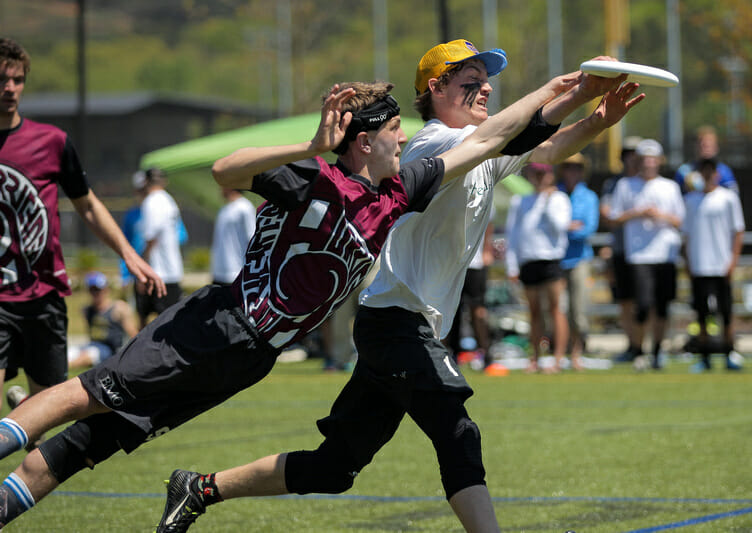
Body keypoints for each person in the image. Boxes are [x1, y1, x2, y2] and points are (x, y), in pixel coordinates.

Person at [0, 74, 583, 529]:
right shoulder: (308, 177)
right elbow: (224, 169)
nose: (404, 139)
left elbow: (489, 139)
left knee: (93, 442)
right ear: (364, 141)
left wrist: (557, 94)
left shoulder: (398, 191)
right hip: (214, 327)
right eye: (395, 133)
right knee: (88, 395)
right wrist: (308, 146)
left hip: (250, 360)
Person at [152, 41, 646, 533]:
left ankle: (200, 487)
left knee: (334, 467)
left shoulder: (483, 147)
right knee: (457, 431)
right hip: (397, 323)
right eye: (470, 80)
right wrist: (575, 89)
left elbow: (548, 147)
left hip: (398, 324)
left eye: (486, 79)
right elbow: (514, 131)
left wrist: (598, 117)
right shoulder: (433, 142)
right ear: (436, 90)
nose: (486, 88)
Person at [0, 38, 163, 413]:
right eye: (1, 79)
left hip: (43, 295)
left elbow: (87, 204)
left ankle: (27, 419)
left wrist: (129, 254)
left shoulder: (51, 142)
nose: (10, 88)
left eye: (18, 79)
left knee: (45, 414)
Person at [608, 139, 685, 370]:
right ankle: (639, 351)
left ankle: (658, 351)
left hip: (665, 254)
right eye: (645, 159)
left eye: (653, 159)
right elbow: (614, 218)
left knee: (662, 306)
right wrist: (637, 213)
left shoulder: (669, 187)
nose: (649, 164)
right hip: (639, 255)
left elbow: (679, 220)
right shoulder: (625, 185)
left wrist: (659, 215)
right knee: (641, 305)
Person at [506, 162, 571, 373]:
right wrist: (512, 265)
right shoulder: (521, 200)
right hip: (529, 260)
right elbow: (513, 234)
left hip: (550, 259)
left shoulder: (558, 199)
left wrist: (547, 201)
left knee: (555, 310)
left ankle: (558, 358)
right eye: (536, 173)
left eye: (544, 173)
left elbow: (560, 227)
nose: (540, 177)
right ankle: (534, 357)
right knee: (534, 312)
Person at [682, 158, 745, 372]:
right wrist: (688, 261)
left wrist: (733, 260)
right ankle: (705, 356)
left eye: (711, 171)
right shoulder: (691, 200)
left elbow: (738, 231)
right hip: (700, 265)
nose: (708, 175)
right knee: (701, 315)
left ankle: (729, 353)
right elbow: (687, 234)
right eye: (704, 171)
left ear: (717, 173)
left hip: (721, 264)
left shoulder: (728, 198)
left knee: (725, 313)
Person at [599, 136, 640, 361]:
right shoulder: (614, 184)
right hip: (622, 250)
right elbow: (606, 214)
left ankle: (646, 346)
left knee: (645, 302)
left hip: (646, 253)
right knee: (625, 301)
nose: (632, 159)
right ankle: (632, 345)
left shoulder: (652, 182)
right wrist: (633, 214)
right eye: (628, 155)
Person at [557, 152, 598, 367]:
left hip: (580, 259)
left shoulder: (589, 197)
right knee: (559, 310)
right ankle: (560, 353)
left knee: (578, 310)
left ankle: (576, 352)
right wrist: (569, 226)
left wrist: (564, 228)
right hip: (557, 260)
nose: (572, 172)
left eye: (576, 168)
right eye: (568, 167)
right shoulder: (556, 193)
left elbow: (588, 229)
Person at [135, 167, 185, 328]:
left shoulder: (152, 202)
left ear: (145, 182)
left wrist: (141, 270)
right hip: (172, 271)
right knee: (172, 323)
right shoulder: (169, 200)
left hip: (157, 274)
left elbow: (151, 239)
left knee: (147, 324)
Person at [447, 216, 494, 370]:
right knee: (451, 311)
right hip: (452, 263)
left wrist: (487, 250)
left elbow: (489, 223)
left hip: (475, 263)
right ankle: (451, 354)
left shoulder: (483, 192)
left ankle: (485, 353)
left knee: (478, 311)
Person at [66, 272, 139, 370]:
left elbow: (133, 334)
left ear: (106, 290)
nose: (96, 293)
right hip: (91, 344)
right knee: (69, 352)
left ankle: (60, 369)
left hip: (109, 350)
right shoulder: (87, 310)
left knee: (87, 356)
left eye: (98, 290)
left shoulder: (118, 308)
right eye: (92, 290)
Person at [210, 187, 256, 285]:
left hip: (236, 272)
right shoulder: (224, 209)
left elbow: (252, 238)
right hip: (219, 272)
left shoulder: (245, 207)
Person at [673, 125, 738, 195]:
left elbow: (733, 196)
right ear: (696, 146)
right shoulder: (684, 171)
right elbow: (676, 199)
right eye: (703, 145)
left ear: (716, 147)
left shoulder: (724, 172)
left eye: (710, 145)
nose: (706, 149)